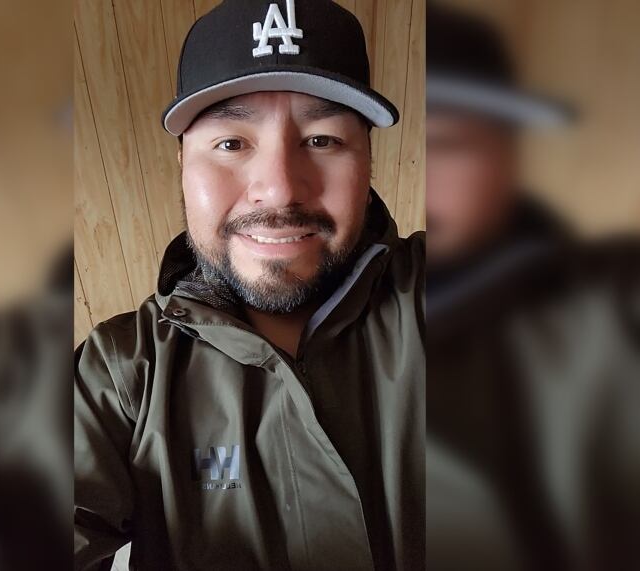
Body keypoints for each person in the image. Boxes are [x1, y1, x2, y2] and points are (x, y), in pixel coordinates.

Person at [74, 1, 425, 570]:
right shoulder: (120, 375)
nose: (281, 189)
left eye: (323, 140)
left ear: (367, 161)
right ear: (182, 166)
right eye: (232, 143)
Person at [425, 4, 639, 570]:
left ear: (509, 156)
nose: (421, 176)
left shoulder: (615, 309)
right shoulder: (335, 315)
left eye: (446, 144)